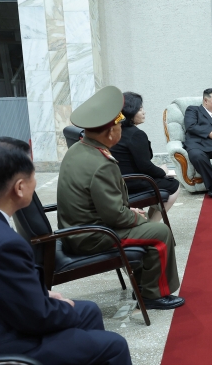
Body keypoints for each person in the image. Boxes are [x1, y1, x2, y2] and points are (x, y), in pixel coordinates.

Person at [0, 137, 132, 364]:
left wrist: (42, 297)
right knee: (113, 345)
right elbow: (36, 317)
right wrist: (59, 305)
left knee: (89, 311)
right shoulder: (3, 244)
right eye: (33, 174)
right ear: (20, 188)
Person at [57, 86, 183, 310]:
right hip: (91, 236)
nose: (120, 130)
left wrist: (127, 212)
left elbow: (105, 205)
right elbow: (114, 214)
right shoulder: (101, 163)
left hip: (79, 227)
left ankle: (144, 286)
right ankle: (154, 295)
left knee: (142, 223)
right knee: (160, 232)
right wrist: (135, 217)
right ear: (109, 133)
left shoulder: (78, 149)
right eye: (118, 126)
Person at [110, 91, 181, 222]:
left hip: (118, 181)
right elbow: (145, 165)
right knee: (174, 185)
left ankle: (147, 221)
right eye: (140, 109)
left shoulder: (115, 130)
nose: (144, 112)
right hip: (133, 181)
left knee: (161, 178)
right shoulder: (135, 134)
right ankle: (152, 224)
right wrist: (162, 171)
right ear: (130, 112)